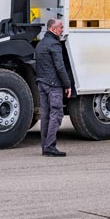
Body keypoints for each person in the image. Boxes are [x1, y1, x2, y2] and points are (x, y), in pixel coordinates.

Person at [34, 18, 72, 157]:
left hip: (42, 83)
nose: (62, 30)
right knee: (56, 114)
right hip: (53, 85)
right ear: (53, 29)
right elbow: (60, 67)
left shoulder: (41, 44)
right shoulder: (54, 45)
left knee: (45, 116)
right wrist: (67, 84)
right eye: (61, 27)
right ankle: (50, 146)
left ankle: (45, 146)